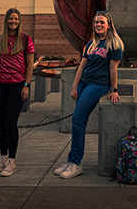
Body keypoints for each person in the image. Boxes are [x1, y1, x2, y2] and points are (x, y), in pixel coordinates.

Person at [55, 11, 122, 179]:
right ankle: (71, 161)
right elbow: (82, 67)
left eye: (102, 22)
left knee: (77, 119)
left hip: (98, 85)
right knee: (79, 121)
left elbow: (113, 69)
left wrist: (114, 89)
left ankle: (76, 163)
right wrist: (75, 86)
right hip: (85, 83)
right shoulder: (92, 43)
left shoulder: (115, 44)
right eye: (96, 22)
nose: (98, 25)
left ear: (109, 24)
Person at [0, 8, 35, 177]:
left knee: (10, 121)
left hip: (17, 86)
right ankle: (3, 157)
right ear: (6, 21)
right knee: (1, 122)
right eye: (10, 19)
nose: (13, 21)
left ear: (19, 21)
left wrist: (26, 85)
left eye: (15, 19)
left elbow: (30, 65)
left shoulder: (25, 39)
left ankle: (12, 161)